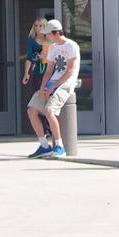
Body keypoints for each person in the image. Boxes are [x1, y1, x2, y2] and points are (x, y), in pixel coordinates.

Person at [25, 20, 80, 159]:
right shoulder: (53, 47)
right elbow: (49, 70)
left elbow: (70, 71)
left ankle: (59, 146)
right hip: (52, 82)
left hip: (66, 83)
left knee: (49, 111)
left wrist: (53, 87)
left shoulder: (71, 46)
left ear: (56, 33)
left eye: (48, 34)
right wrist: (44, 87)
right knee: (31, 109)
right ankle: (44, 146)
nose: (46, 37)